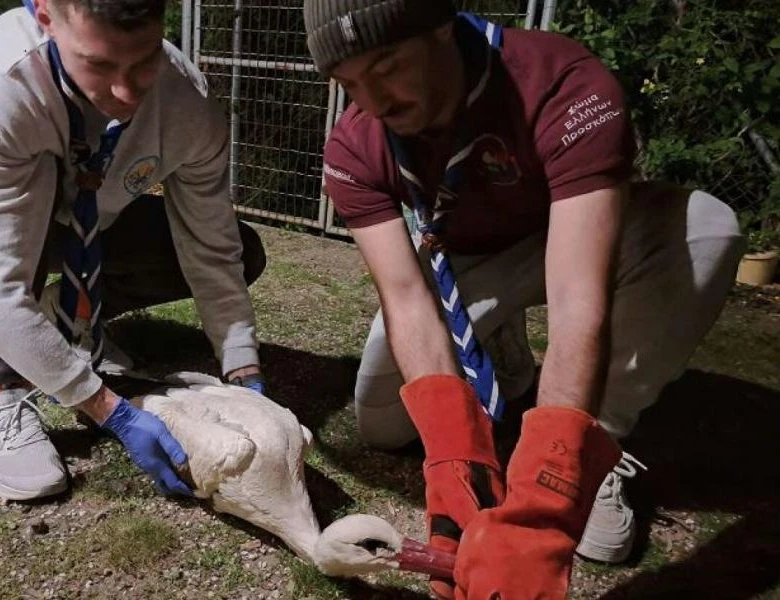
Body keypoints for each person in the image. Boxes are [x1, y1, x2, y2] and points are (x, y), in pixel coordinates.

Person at [303, 2, 744, 598]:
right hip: (465, 261)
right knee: (384, 426)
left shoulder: (564, 84)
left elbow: (576, 301)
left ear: (441, 26)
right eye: (349, 83)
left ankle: (597, 448)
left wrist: (544, 497)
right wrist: (452, 455)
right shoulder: (355, 144)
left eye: (387, 66)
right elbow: (407, 298)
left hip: (578, 233)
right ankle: (500, 355)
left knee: (707, 227)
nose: (373, 100)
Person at [0, 0, 267, 502]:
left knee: (244, 249)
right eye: (97, 64)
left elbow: (211, 242)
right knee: (40, 184)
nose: (125, 93)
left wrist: (243, 369)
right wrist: (108, 408)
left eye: (143, 63)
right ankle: (0, 397)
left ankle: (63, 317)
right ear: (46, 17)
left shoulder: (186, 100)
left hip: (85, 220)